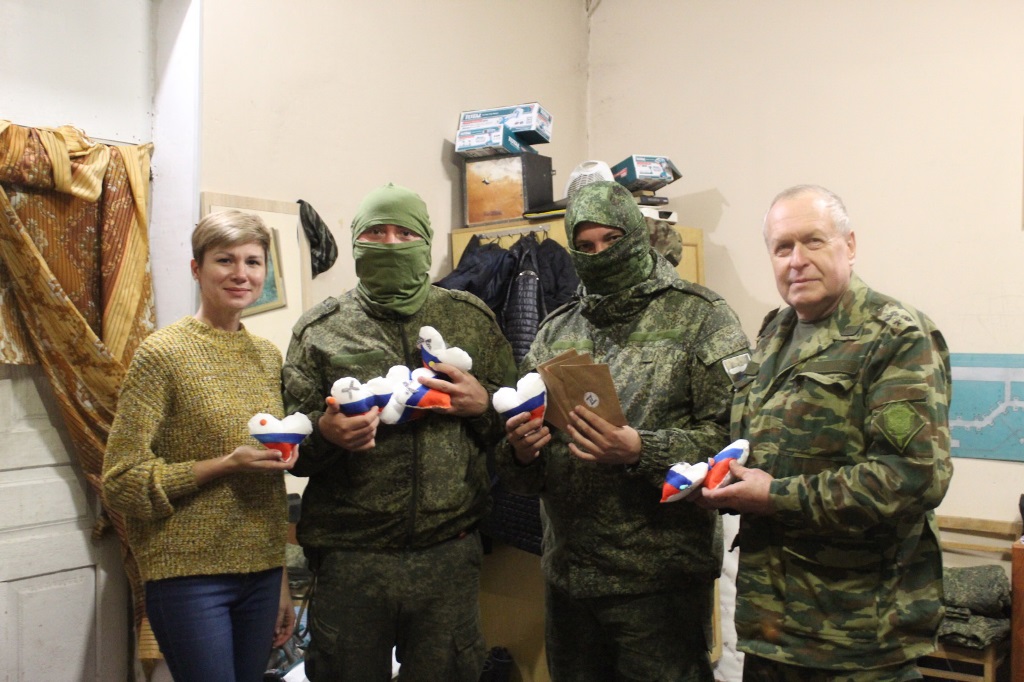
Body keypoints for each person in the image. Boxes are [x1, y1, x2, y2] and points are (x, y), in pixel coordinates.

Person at [497, 180, 751, 682]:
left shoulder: (701, 316)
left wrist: (641, 450)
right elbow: (525, 472)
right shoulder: (555, 330)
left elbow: (734, 443)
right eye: (586, 246)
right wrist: (522, 452)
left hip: (659, 583)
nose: (600, 254)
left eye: (611, 240)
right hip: (570, 579)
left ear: (637, 234)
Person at [700, 184, 952, 681]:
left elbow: (914, 476)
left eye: (813, 241)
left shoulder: (896, 336)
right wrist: (721, 479)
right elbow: (761, 447)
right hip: (772, 627)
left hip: (856, 635)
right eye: (782, 247)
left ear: (849, 245)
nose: (797, 260)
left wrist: (775, 496)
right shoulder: (774, 334)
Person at [281, 183, 517, 681]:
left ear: (425, 242)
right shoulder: (319, 330)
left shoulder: (470, 319)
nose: (390, 243)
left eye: (404, 233)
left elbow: (516, 431)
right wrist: (326, 436)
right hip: (351, 560)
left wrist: (481, 406)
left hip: (448, 555)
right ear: (356, 242)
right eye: (376, 233)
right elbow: (293, 451)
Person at [103, 210, 297, 682]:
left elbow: (269, 486)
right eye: (224, 260)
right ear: (197, 269)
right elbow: (121, 480)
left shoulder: (267, 356)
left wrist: (281, 579)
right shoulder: (162, 354)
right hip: (188, 577)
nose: (240, 273)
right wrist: (224, 465)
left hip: (262, 571)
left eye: (253, 262)